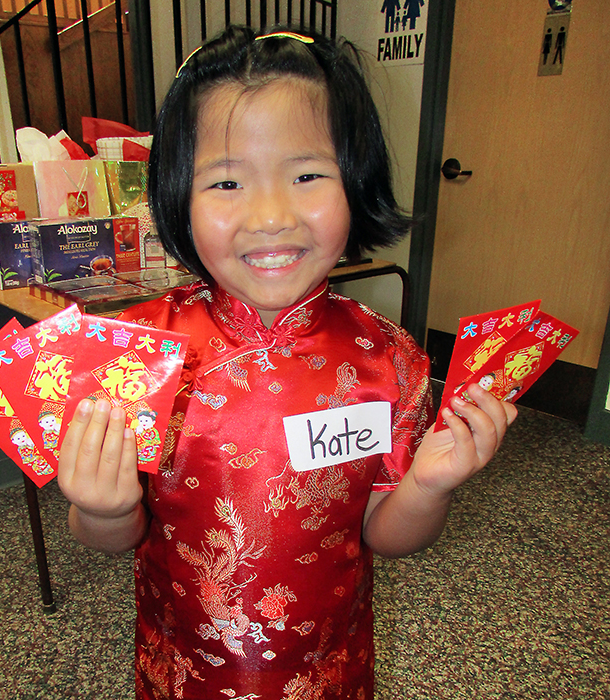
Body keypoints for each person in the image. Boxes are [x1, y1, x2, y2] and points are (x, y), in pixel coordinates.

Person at [58, 25, 516, 699]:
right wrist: (101, 509)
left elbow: (385, 538)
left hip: (322, 670)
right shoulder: (138, 353)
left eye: (306, 175)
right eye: (226, 182)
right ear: (178, 195)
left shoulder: (389, 361)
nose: (271, 215)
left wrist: (429, 486)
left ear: (355, 180)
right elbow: (110, 536)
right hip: (184, 668)